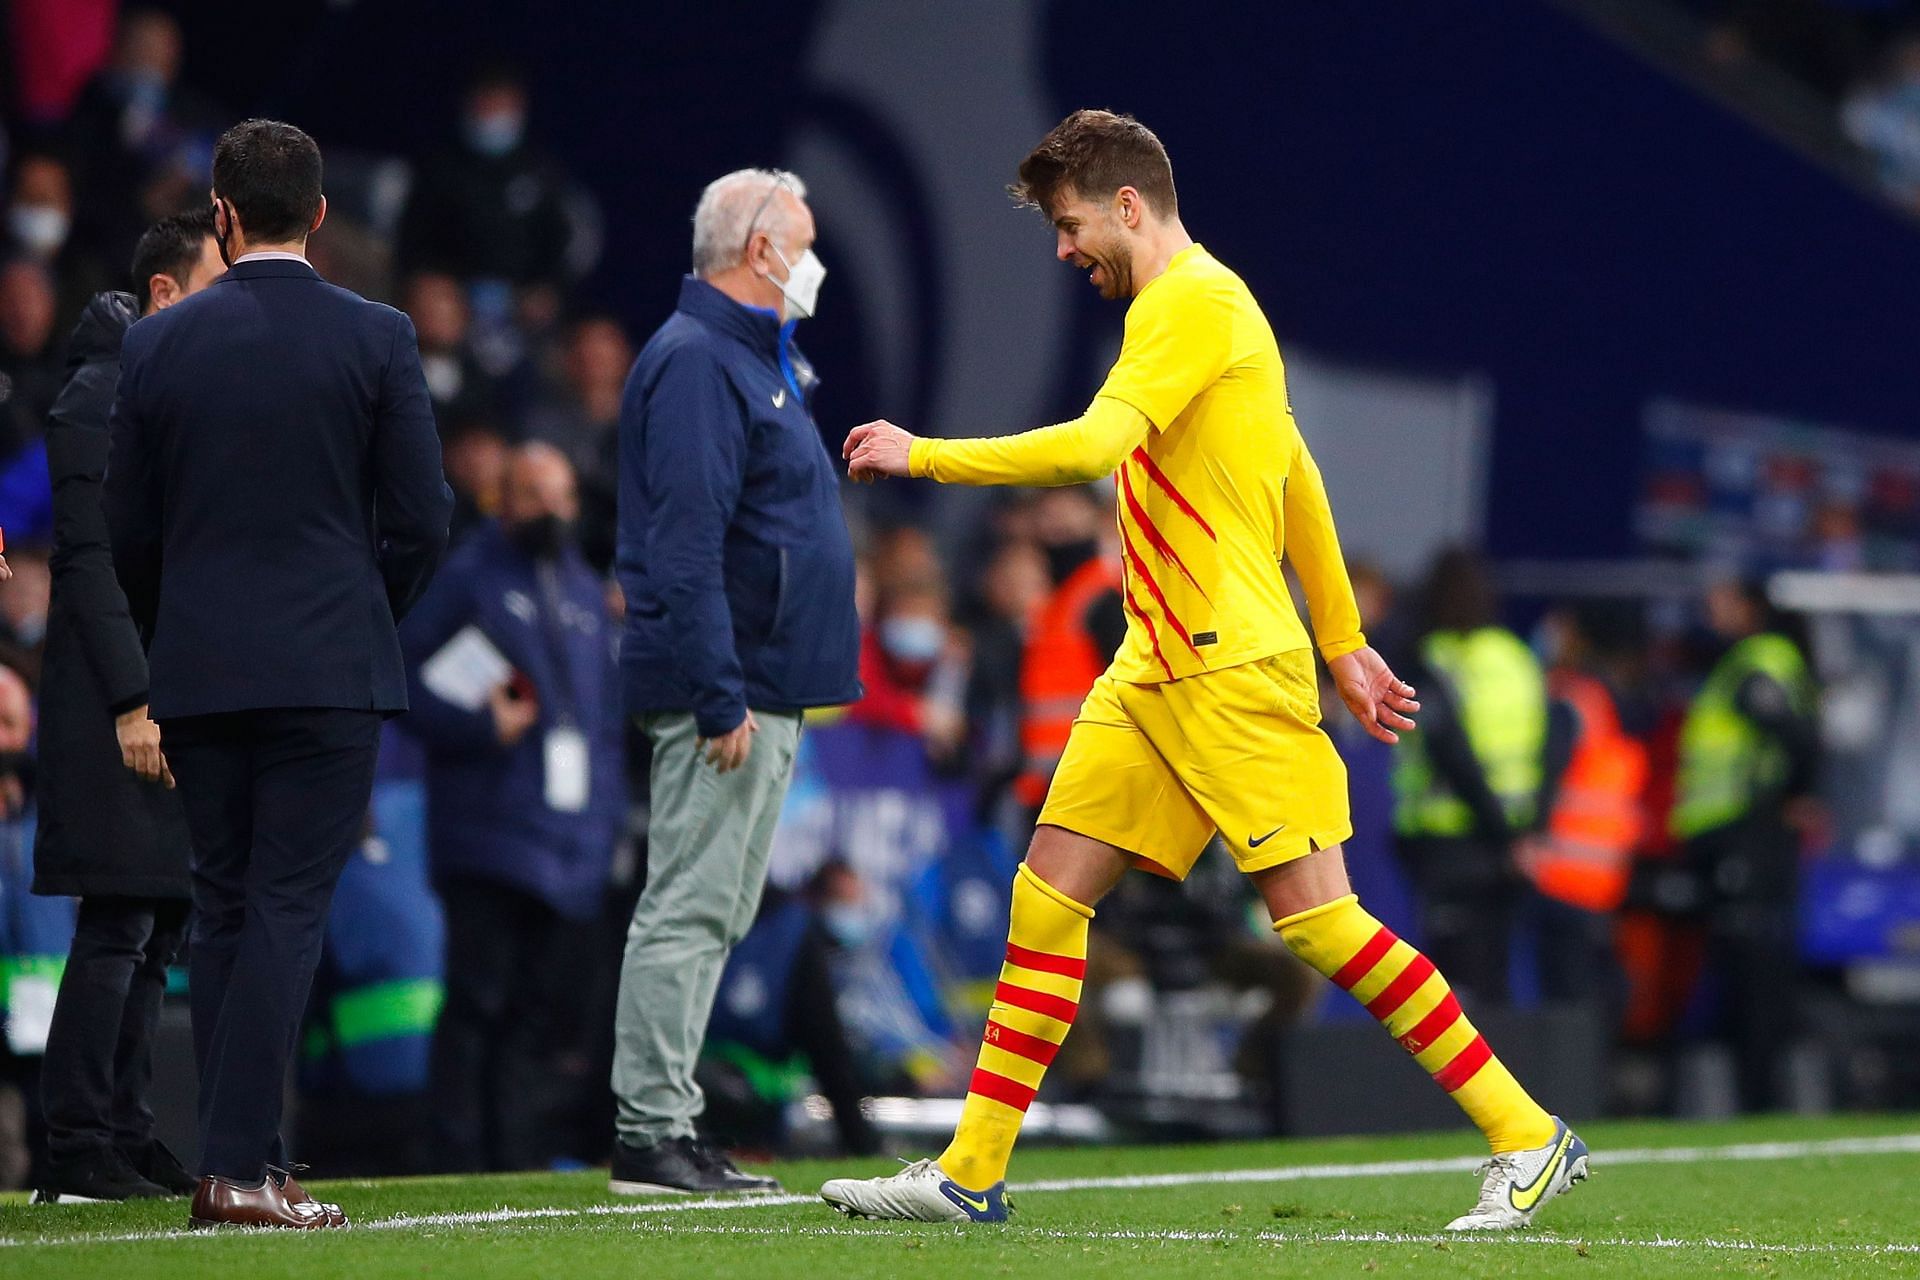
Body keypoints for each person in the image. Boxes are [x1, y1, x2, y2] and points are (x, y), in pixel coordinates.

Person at [822, 110, 1585, 1230]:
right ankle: (970, 1169)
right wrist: (1345, 640)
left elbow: (1091, 448)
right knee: (1048, 892)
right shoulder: (1204, 306)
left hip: (1228, 666)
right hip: (1156, 665)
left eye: (1072, 223)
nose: (1063, 248)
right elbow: (1299, 478)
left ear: (1129, 206)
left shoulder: (1192, 302)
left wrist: (922, 453)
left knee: (1320, 923)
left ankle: (1526, 1133)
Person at [104, 119, 452, 1229]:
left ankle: (248, 1153)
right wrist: (362, 617)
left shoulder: (156, 344)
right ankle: (237, 1172)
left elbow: (126, 528)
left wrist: (178, 633)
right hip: (327, 671)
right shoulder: (378, 335)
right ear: (320, 215)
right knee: (287, 906)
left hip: (202, 670)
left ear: (221, 212)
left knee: (223, 907)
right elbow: (423, 519)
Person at [611, 167, 860, 1195]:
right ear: (761, 250)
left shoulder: (752, 360)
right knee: (688, 904)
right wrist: (718, 692)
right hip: (731, 686)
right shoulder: (699, 361)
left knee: (714, 907)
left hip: (761, 681)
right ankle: (649, 1133)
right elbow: (684, 545)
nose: (813, 262)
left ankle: (670, 1121)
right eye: (801, 240)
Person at [30, 208, 221, 1205]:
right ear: (162, 294)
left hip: (169, 693)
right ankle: (72, 1144)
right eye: (214, 284)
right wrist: (135, 698)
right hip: (117, 699)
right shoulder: (100, 393)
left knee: (157, 925)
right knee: (117, 919)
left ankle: (127, 1129)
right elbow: (90, 560)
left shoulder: (163, 396)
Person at [402, 443, 624, 1172]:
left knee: (537, 1016)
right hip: (488, 832)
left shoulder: (586, 587)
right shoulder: (469, 577)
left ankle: (517, 1159)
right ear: (502, 497)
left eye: (561, 495)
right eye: (533, 494)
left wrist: (603, 826)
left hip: (567, 843)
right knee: (478, 1004)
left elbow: (601, 723)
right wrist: (476, 724)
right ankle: (456, 1159)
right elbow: (404, 673)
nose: (551, 510)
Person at [1671, 577, 1819, 1112]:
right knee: (1740, 968)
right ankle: (1755, 1098)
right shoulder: (1742, 661)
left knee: (1753, 970)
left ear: (1750, 606)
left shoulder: (1757, 663)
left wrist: (1795, 795)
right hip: (1733, 832)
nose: (1711, 605)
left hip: (1747, 832)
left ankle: (1764, 1099)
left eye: (1724, 597)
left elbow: (1799, 736)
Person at [1389, 548, 1552, 1005]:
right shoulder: (1517, 658)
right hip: (1511, 845)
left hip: (1449, 840)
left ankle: (1454, 1077)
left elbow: (1452, 754)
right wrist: (1525, 834)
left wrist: (1501, 832)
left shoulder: (1436, 660)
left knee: (1452, 987)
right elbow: (1548, 750)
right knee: (1495, 977)